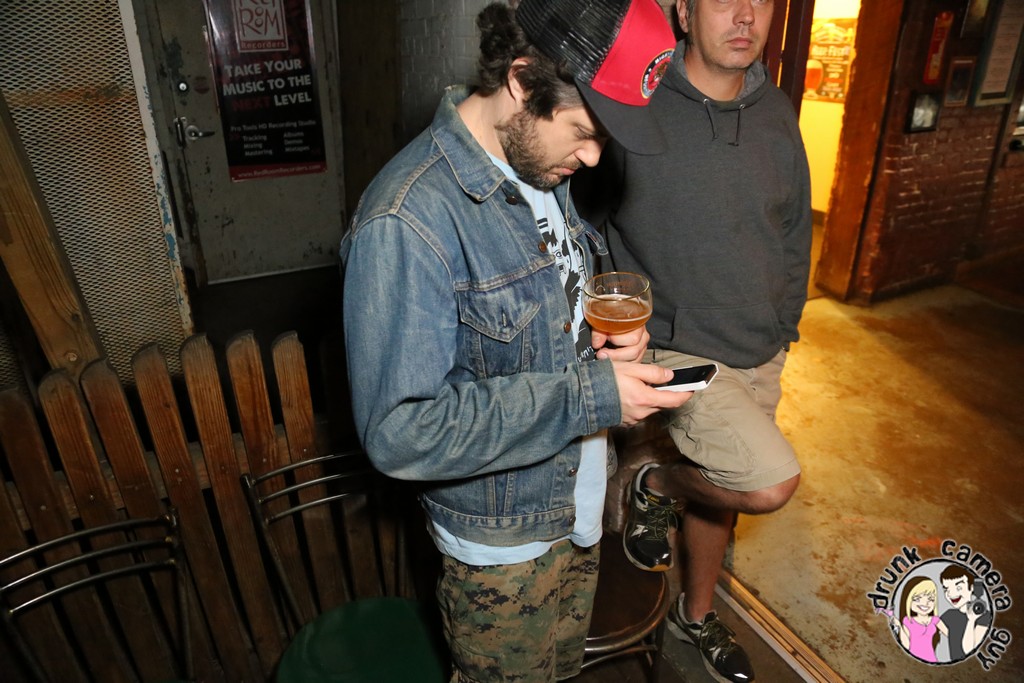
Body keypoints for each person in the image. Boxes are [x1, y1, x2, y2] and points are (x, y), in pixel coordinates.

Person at [339, 1, 686, 681]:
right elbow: (400, 432)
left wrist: (601, 341)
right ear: (522, 81)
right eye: (584, 131)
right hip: (505, 549)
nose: (593, 156)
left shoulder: (539, 165)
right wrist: (591, 396)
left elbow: (542, 316)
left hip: (576, 506)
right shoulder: (406, 219)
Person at [576, 1, 812, 681]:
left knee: (723, 487)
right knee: (768, 482)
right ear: (683, 10)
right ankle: (653, 480)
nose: (745, 15)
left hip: (760, 344)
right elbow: (579, 223)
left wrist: (783, 323)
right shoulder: (636, 105)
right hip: (676, 347)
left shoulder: (777, 113)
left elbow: (793, 229)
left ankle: (696, 612)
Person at [939, 565, 992, 662]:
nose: (951, 593)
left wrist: (971, 620)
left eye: (958, 588)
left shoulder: (984, 616)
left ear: (971, 587)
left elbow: (969, 650)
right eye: (946, 589)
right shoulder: (949, 615)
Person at [889, 576, 947, 662]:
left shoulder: (935, 620)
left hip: (932, 660)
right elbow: (906, 645)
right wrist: (899, 626)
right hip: (913, 661)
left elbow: (952, 635)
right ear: (908, 600)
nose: (925, 603)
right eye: (917, 599)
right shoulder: (908, 621)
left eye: (931, 599)